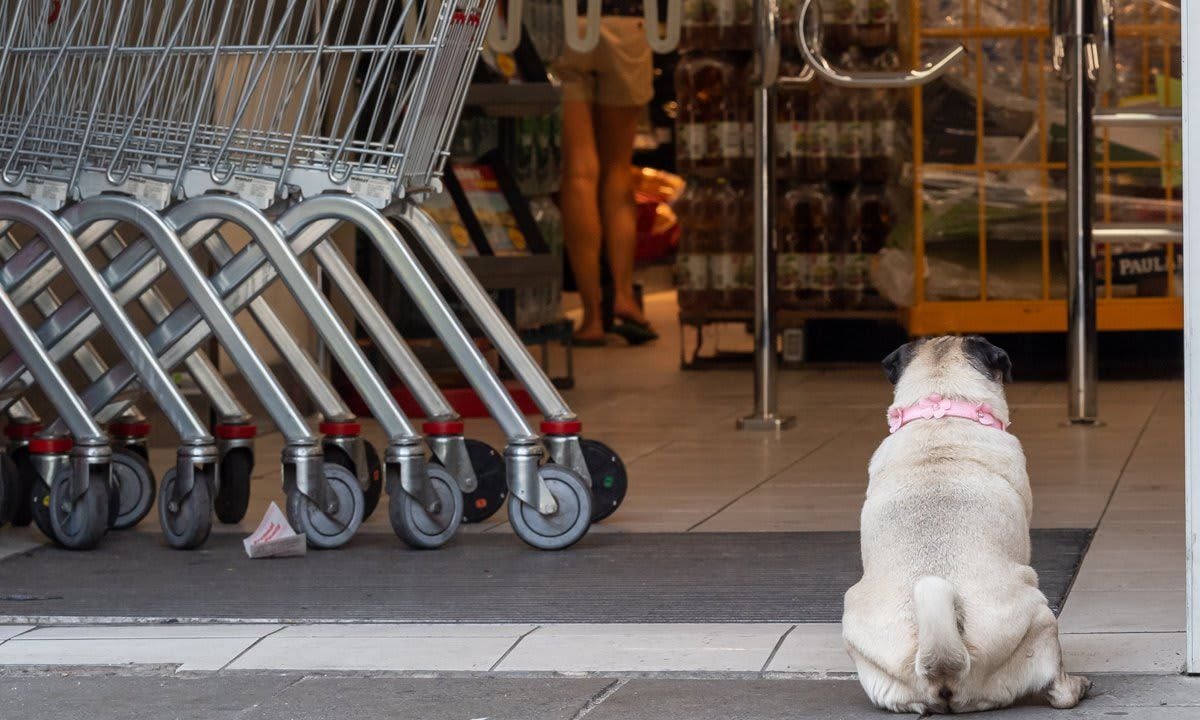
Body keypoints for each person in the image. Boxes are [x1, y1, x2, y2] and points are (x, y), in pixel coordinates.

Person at [553, 2, 658, 345]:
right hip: (626, 22)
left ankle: (592, 314)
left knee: (579, 172)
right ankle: (625, 296)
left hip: (567, 24)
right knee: (618, 169)